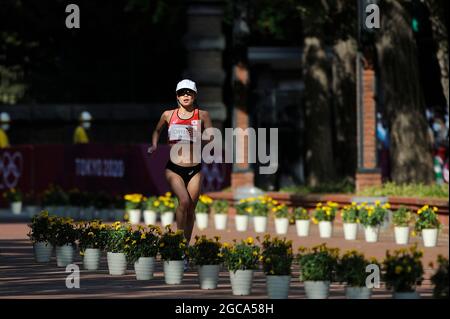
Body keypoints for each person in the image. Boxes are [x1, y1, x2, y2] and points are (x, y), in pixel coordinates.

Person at [148, 79, 212, 247]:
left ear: (195, 95)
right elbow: (157, 130)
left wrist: (197, 135)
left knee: (191, 209)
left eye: (189, 92)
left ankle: (185, 246)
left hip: (195, 169)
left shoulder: (202, 114)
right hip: (174, 169)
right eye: (182, 92)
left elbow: (212, 137)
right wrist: (154, 145)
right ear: (177, 96)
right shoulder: (168, 114)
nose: (185, 95)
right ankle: (178, 242)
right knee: (183, 201)